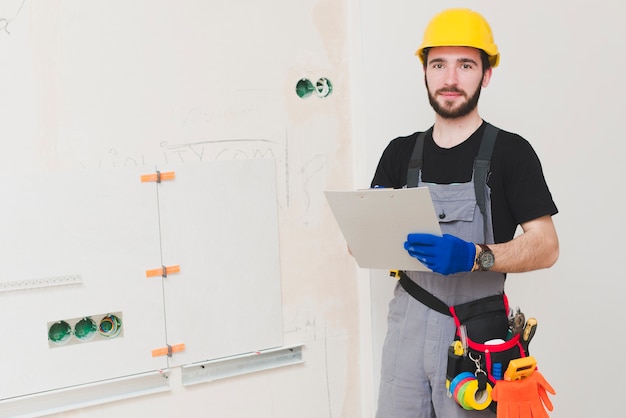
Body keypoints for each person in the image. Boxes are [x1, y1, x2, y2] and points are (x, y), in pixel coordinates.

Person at [371, 8, 559, 418]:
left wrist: (476, 256)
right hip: (406, 328)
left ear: (486, 74)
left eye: (466, 65)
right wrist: (367, 231)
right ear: (425, 70)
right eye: (438, 64)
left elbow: (546, 247)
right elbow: (366, 244)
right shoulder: (399, 153)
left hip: (477, 338)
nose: (450, 79)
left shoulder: (512, 153)